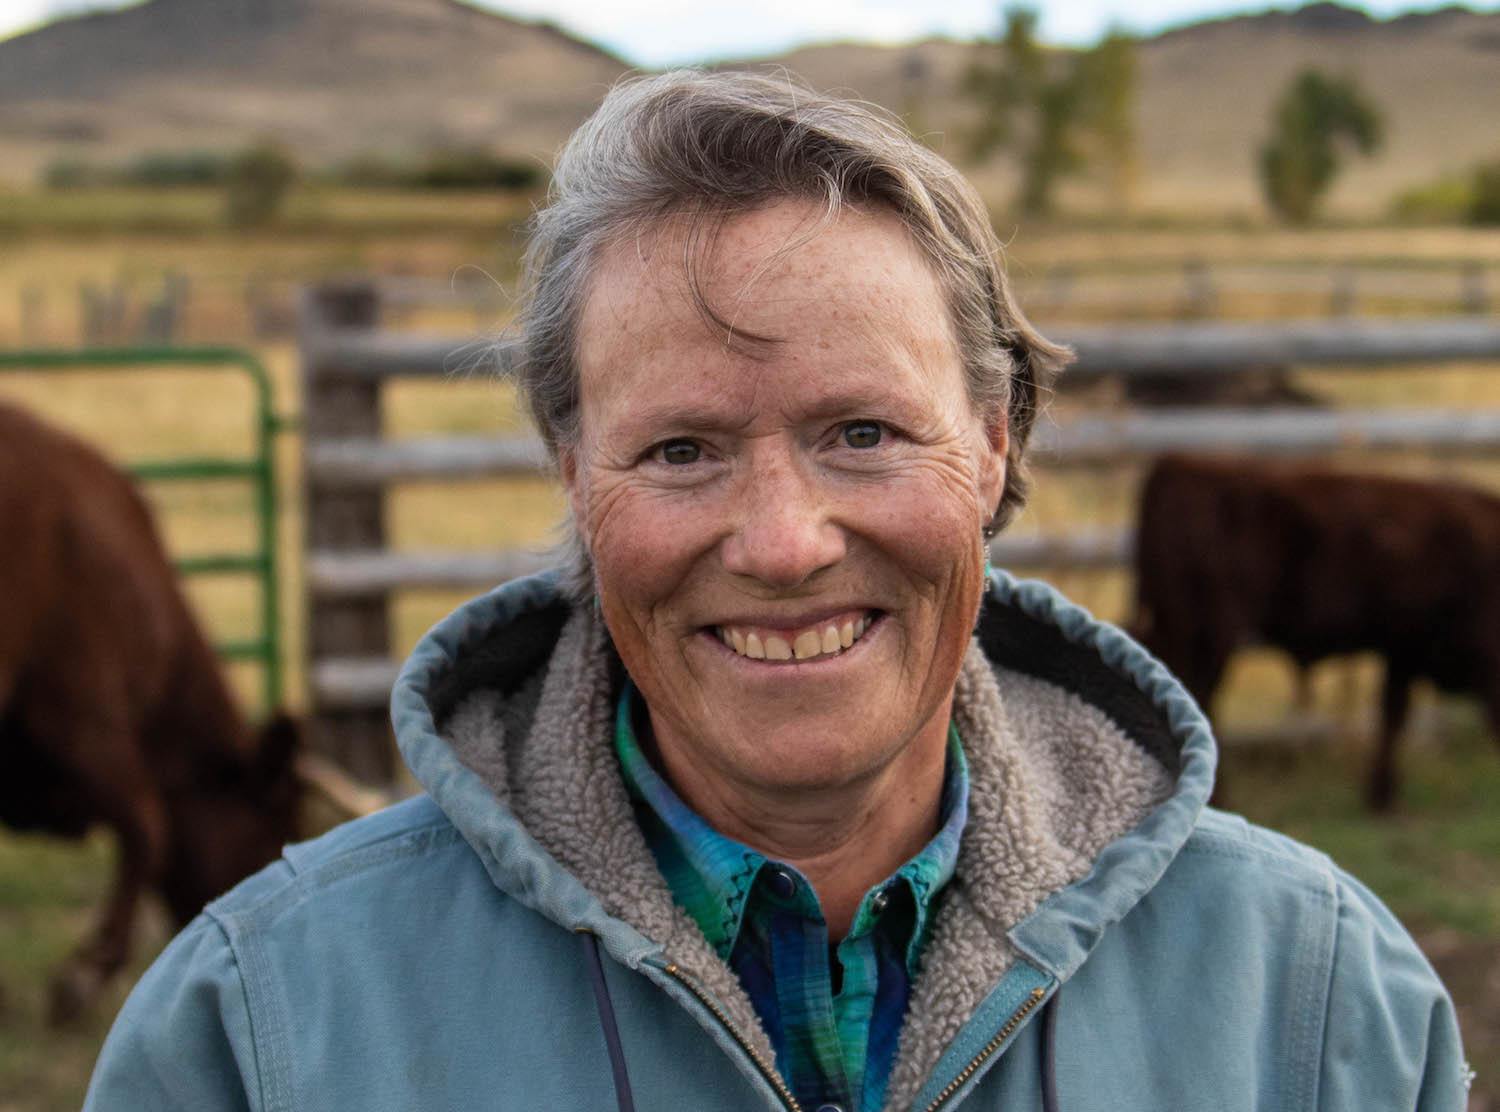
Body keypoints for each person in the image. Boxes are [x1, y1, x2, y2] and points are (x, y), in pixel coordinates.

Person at [86, 70, 1468, 1111]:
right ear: (573, 475)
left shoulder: (1316, 1002)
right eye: (681, 450)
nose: (785, 542)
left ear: (997, 445)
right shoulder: (261, 1030)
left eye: (861, 432)